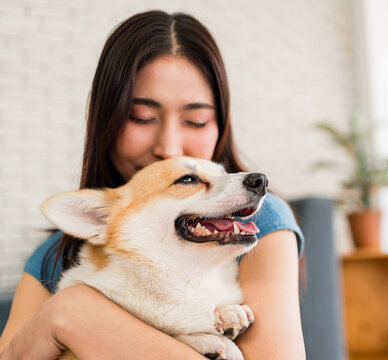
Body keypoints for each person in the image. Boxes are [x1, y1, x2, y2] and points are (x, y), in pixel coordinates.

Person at [0, 10, 306, 359]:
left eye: (196, 120)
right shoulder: (55, 253)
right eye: (142, 117)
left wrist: (70, 314)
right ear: (107, 118)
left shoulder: (256, 223)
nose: (170, 148)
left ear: (220, 124)